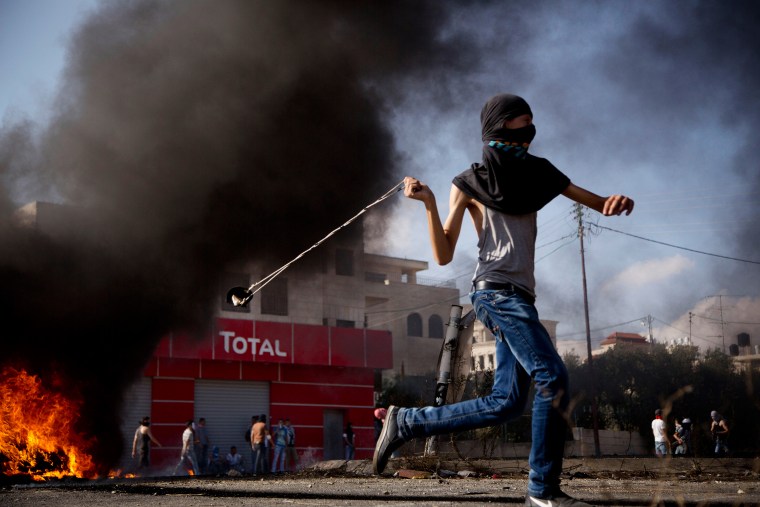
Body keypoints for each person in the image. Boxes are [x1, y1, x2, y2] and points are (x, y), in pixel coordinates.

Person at [372, 93, 634, 507]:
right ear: (497, 127)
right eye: (520, 125)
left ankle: (404, 422)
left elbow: (598, 203)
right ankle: (542, 491)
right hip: (493, 293)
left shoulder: (539, 173)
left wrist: (614, 203)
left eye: (532, 125)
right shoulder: (468, 183)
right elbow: (442, 253)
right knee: (552, 377)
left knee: (506, 402)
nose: (529, 133)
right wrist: (430, 203)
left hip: (523, 298)